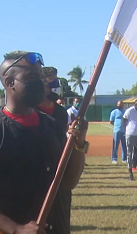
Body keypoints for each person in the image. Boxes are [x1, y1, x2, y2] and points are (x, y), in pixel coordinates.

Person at [0, 51, 88, 234]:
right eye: (32, 77)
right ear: (10, 82)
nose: (40, 82)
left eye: (40, 76)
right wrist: (16, 229)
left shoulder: (51, 126)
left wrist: (79, 146)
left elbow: (68, 182)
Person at [37, 66, 76, 234]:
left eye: (56, 81)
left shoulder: (61, 113)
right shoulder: (31, 111)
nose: (56, 86)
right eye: (51, 82)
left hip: (59, 177)